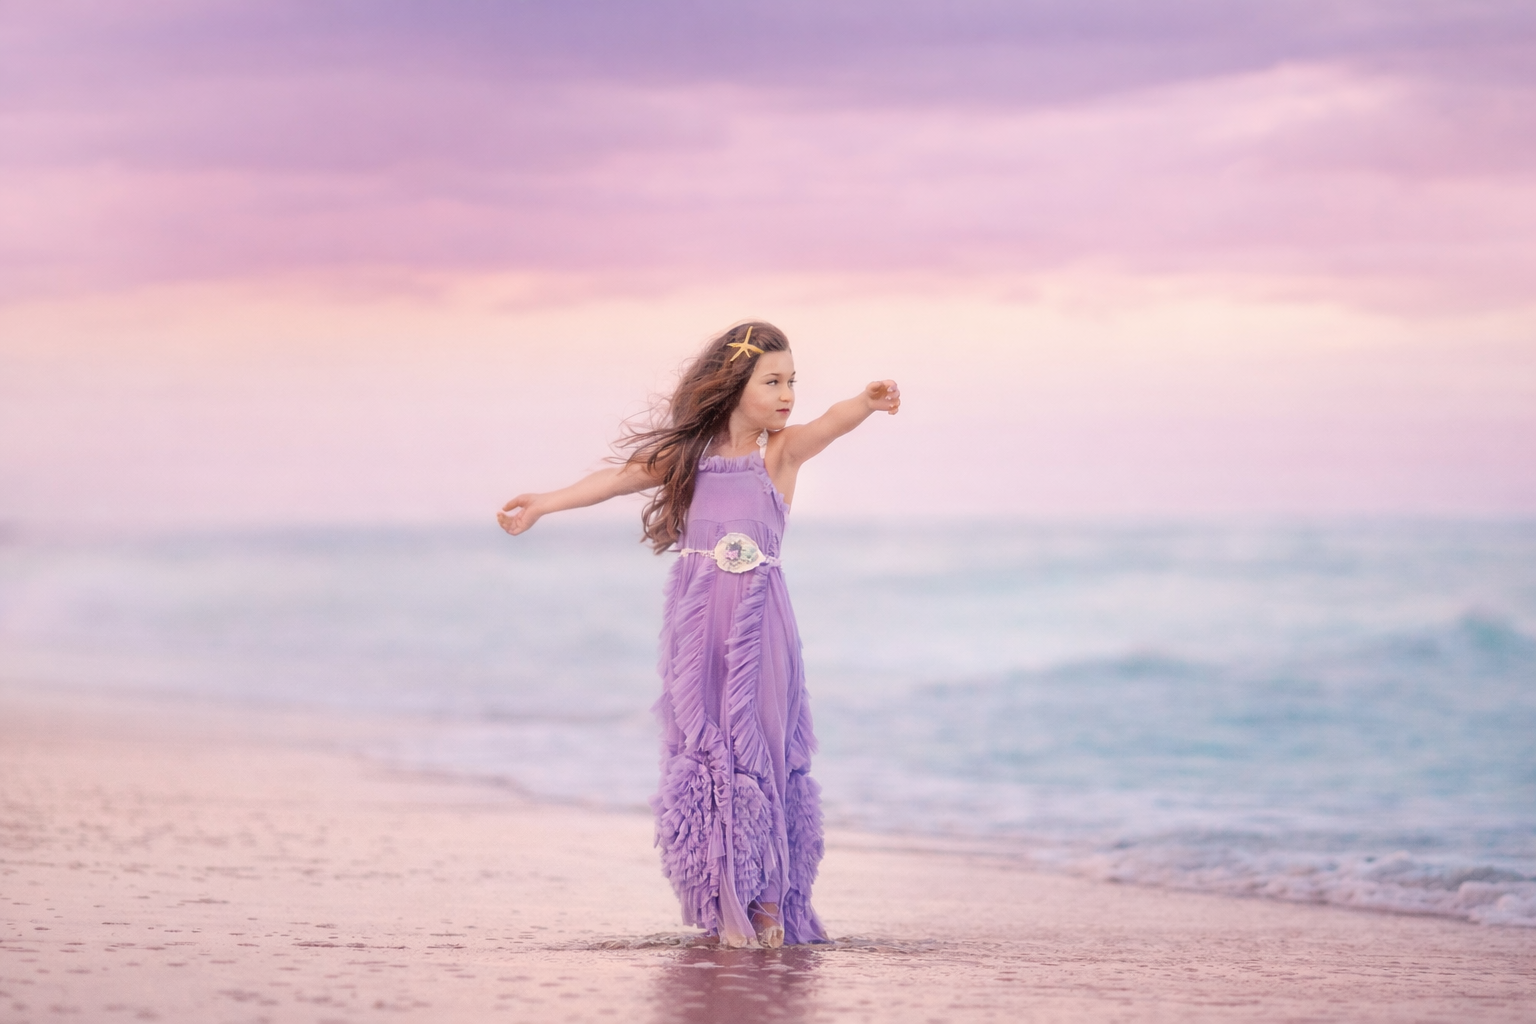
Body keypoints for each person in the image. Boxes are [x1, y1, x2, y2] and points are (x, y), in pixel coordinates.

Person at [497, 321, 900, 947]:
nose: (787, 393)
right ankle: (722, 897)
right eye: (772, 381)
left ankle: (768, 905)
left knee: (761, 745)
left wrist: (867, 403)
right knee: (709, 749)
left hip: (759, 622)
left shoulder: (780, 453)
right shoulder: (690, 458)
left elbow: (830, 423)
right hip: (697, 621)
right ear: (734, 386)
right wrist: (545, 502)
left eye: (792, 380)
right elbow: (616, 478)